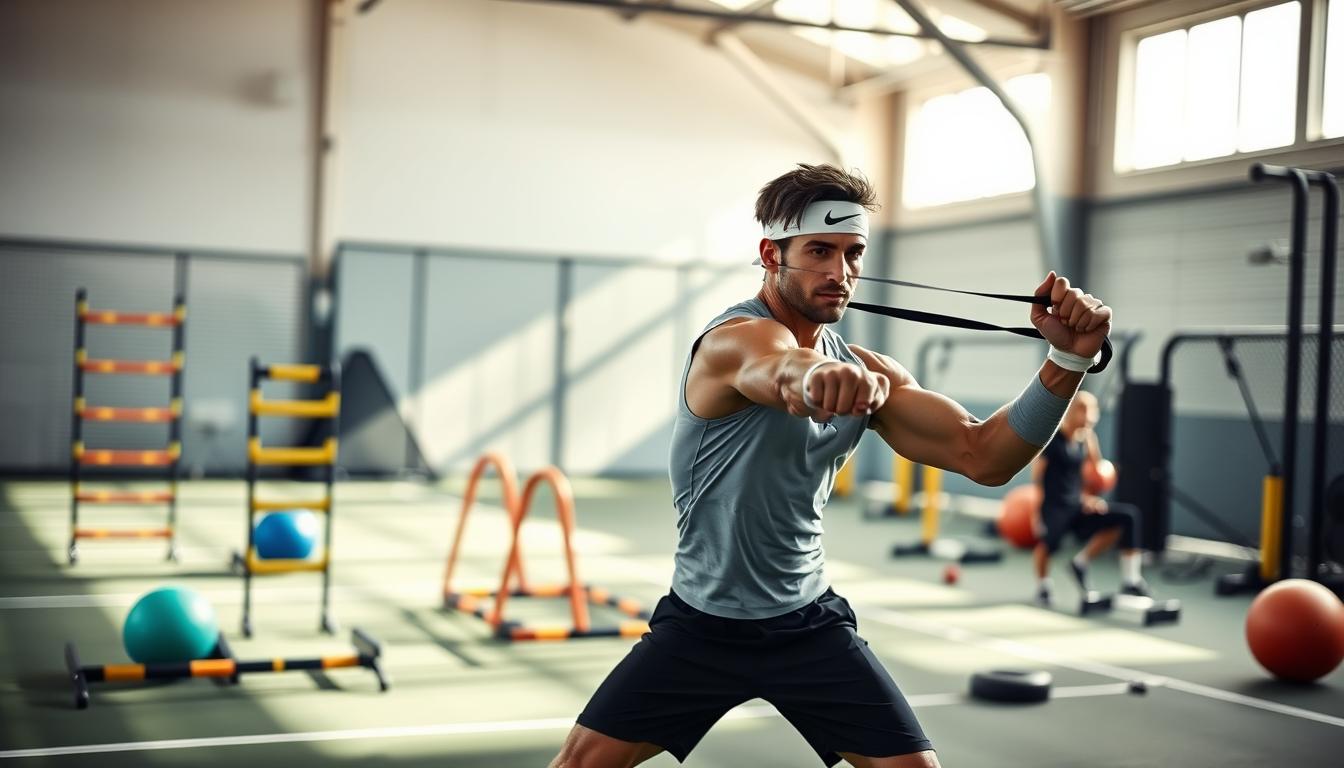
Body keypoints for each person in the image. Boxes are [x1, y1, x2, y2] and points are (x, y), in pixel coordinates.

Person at [549, 163, 1112, 768]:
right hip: (701, 625)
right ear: (772, 253)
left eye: (852, 254)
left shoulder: (872, 370)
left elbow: (984, 456)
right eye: (820, 250)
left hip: (807, 623)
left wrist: (1066, 361)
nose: (839, 272)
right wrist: (818, 378)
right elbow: (777, 371)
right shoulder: (732, 340)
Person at [1031, 390, 1149, 606]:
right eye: (1082, 409)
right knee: (1049, 544)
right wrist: (1037, 512)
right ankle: (1043, 587)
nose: (1088, 415)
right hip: (1054, 507)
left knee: (1127, 517)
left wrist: (1089, 498)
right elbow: (1037, 477)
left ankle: (1126, 578)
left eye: (1091, 410)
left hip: (1076, 506)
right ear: (1070, 411)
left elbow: (1095, 475)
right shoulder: (1053, 440)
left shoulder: (1084, 441)